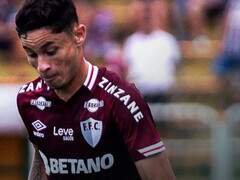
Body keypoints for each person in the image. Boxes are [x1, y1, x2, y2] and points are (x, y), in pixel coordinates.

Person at [15, 0, 176, 179]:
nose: (42, 66)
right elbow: (43, 160)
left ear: (79, 35)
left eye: (51, 51)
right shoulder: (29, 100)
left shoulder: (122, 99)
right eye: (32, 54)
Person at [123, 0, 181, 103]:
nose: (147, 18)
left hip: (164, 95)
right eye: (144, 15)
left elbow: (176, 67)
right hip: (139, 97)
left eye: (150, 15)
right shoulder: (131, 42)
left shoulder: (168, 40)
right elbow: (126, 69)